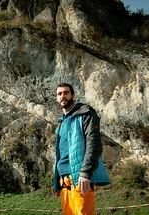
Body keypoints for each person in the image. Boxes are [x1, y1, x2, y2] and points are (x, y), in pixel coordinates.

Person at [51, 83, 110, 215]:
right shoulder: (61, 123)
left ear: (73, 95)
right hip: (64, 180)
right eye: (59, 94)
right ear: (56, 98)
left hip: (80, 178)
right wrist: (56, 182)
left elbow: (94, 144)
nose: (63, 96)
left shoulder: (86, 114)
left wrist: (85, 172)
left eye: (66, 93)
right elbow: (59, 154)